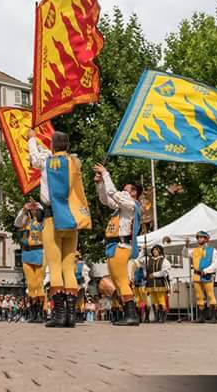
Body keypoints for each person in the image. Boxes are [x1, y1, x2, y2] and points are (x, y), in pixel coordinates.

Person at [28, 130, 91, 328]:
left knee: (54, 267)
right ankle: (71, 315)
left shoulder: (47, 162)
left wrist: (32, 139)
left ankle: (59, 314)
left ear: (53, 146)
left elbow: (35, 158)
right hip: (72, 218)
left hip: (52, 217)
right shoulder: (74, 162)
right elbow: (54, 154)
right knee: (68, 267)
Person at [93, 163, 143, 326]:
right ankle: (127, 312)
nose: (125, 191)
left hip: (122, 246)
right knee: (116, 280)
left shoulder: (132, 205)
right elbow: (106, 199)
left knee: (121, 280)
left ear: (135, 194)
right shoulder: (121, 207)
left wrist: (106, 174)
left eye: (129, 190)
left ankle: (132, 314)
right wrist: (100, 183)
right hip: (113, 246)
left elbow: (113, 193)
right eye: (125, 189)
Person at [14, 200, 46, 323]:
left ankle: (41, 312)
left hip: (39, 252)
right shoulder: (25, 220)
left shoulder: (42, 221)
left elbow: (45, 217)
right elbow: (17, 223)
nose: (33, 209)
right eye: (31, 207)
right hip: (26, 253)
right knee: (31, 284)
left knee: (39, 284)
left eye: (35, 207)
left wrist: (39, 206)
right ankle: (33, 312)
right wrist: (24, 209)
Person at [183, 232, 217, 323]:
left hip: (207, 275)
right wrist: (186, 245)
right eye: (198, 238)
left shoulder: (213, 250)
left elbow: (216, 264)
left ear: (206, 239)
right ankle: (201, 317)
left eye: (202, 237)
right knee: (199, 296)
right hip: (197, 275)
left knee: (210, 295)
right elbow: (185, 254)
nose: (199, 239)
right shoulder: (194, 250)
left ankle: (213, 317)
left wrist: (207, 270)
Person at [134, 245, 171, 323]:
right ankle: (156, 317)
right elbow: (138, 260)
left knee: (161, 299)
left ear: (160, 251)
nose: (154, 251)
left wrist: (154, 274)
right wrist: (143, 250)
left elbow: (165, 272)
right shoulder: (148, 259)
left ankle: (162, 317)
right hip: (151, 283)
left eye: (156, 250)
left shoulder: (164, 260)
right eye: (153, 250)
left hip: (159, 282)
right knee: (154, 300)